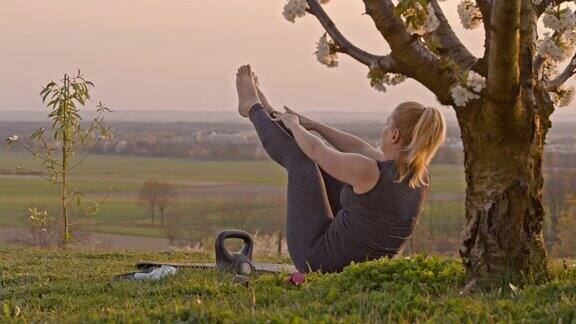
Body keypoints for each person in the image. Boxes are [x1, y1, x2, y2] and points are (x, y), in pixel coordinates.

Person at [235, 64, 446, 273]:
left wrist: (294, 125)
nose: (384, 128)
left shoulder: (370, 172)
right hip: (361, 265)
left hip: (318, 260)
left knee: (304, 163)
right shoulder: (418, 177)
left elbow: (315, 150)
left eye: (387, 123)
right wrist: (314, 125)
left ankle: (252, 107)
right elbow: (359, 147)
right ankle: (270, 114)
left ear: (394, 136)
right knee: (328, 165)